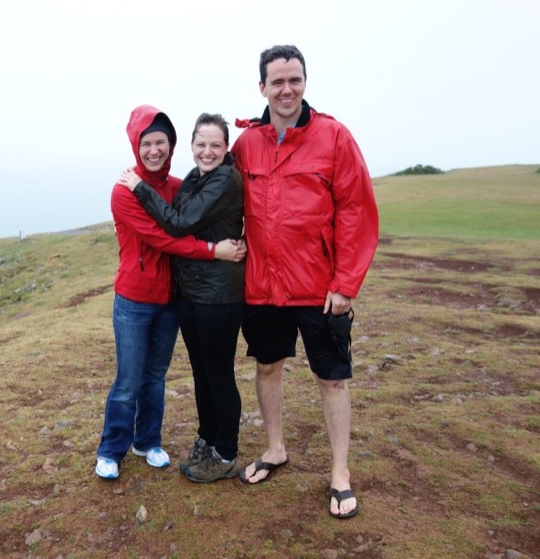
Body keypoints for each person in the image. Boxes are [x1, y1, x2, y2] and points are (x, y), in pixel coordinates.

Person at [231, 45, 379, 518]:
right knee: (268, 367)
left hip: (319, 289)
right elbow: (218, 198)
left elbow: (357, 212)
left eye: (294, 79)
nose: (286, 89)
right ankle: (275, 448)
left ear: (304, 83)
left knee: (332, 380)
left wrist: (346, 283)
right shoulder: (246, 144)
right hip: (262, 287)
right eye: (277, 81)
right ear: (262, 88)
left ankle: (340, 473)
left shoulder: (334, 136)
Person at [95, 105, 245, 480]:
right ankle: (111, 449)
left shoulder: (180, 185)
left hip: (172, 299)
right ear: (136, 145)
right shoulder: (125, 190)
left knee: (157, 377)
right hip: (134, 297)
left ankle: (147, 441)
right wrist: (214, 251)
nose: (154, 150)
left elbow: (190, 219)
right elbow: (165, 237)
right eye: (147, 143)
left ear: (172, 145)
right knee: (128, 380)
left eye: (161, 142)